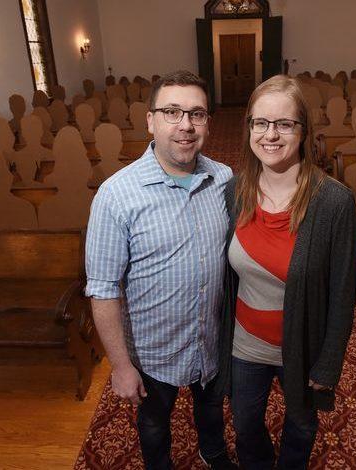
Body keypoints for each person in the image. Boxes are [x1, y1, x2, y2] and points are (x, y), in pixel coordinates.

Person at [85, 70, 236, 470]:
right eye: (172, 112)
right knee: (154, 422)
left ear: (207, 122)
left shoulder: (224, 179)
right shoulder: (116, 195)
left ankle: (212, 452)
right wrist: (120, 366)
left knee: (211, 410)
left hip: (210, 338)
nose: (185, 125)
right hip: (154, 350)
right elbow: (102, 289)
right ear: (150, 120)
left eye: (197, 114)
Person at [214, 75, 356, 469]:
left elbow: (344, 294)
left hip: (303, 345)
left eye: (284, 124)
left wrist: (328, 363)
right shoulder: (234, 191)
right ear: (249, 128)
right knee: (245, 426)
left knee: (301, 425)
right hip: (245, 343)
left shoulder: (334, 202)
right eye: (260, 123)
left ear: (303, 131)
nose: (270, 135)